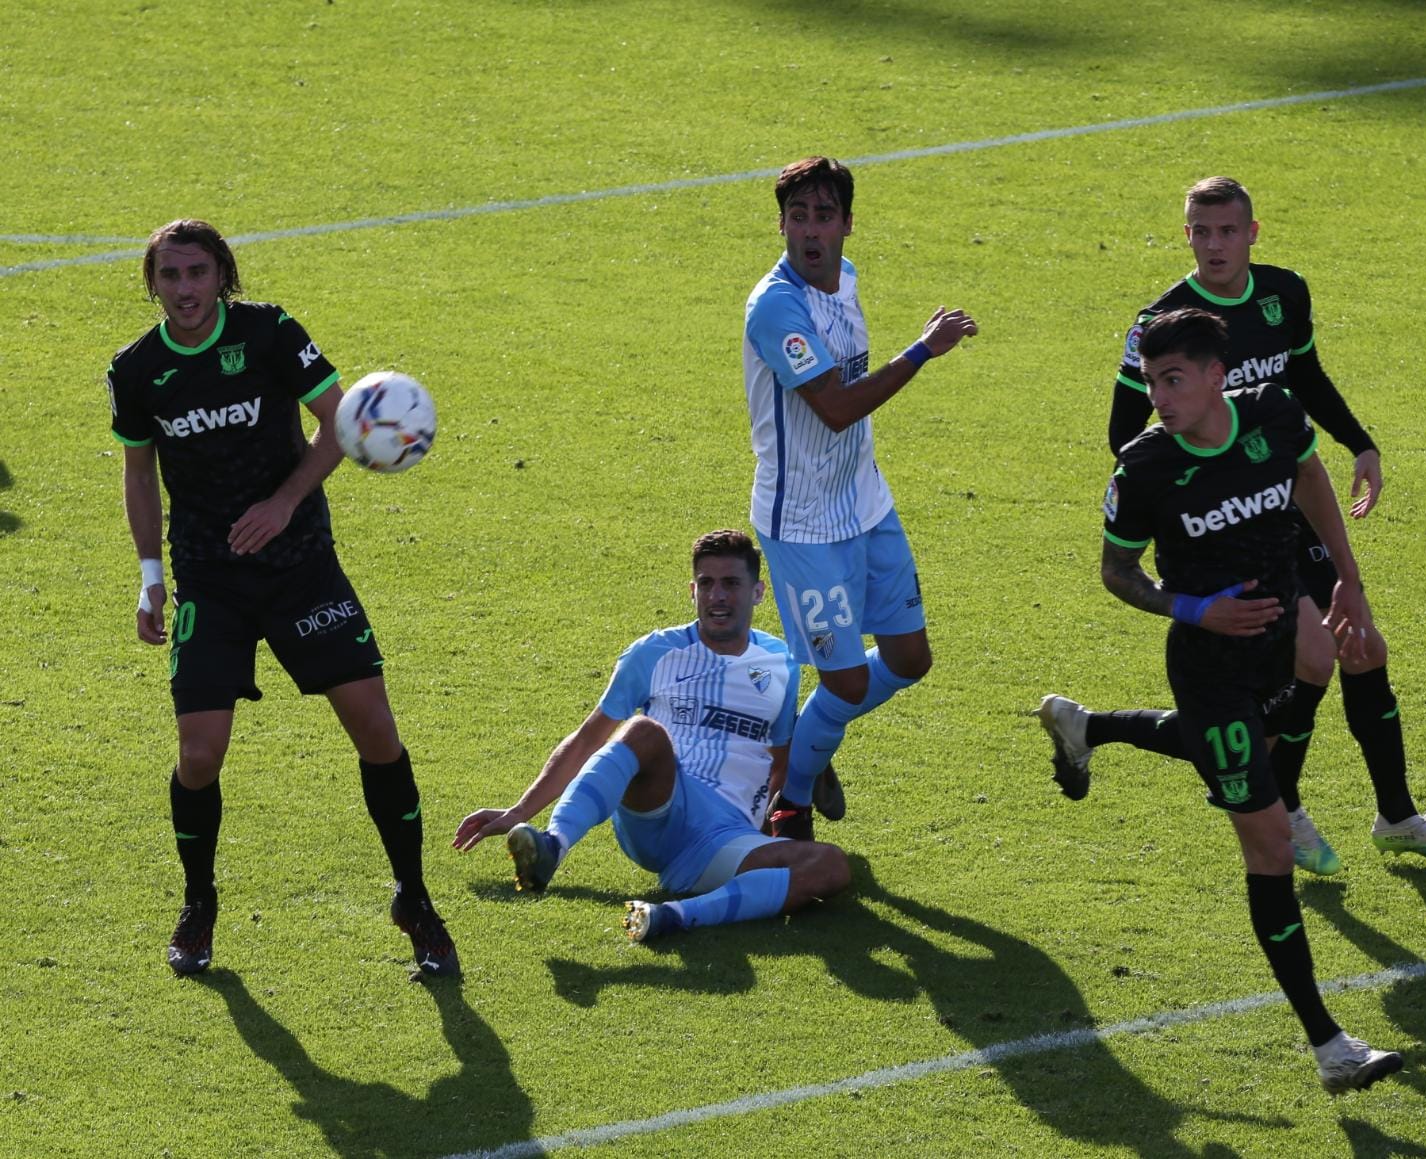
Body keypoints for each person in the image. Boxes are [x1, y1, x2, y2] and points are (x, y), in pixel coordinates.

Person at [1050, 307, 1403, 1093]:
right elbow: (1117, 572)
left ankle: (1090, 725)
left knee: (1274, 714)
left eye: (1173, 380)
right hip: (1209, 666)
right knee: (1270, 843)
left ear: (1216, 375)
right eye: (1151, 382)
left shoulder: (1275, 414)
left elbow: (1311, 475)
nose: (1161, 398)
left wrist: (1347, 573)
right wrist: (1193, 607)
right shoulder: (1143, 469)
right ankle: (1330, 1047)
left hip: (1280, 644)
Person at [1089, 175, 1426, 872]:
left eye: (1227, 231)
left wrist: (1360, 441)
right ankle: (1277, 802)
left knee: (1361, 648)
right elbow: (1125, 435)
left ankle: (1395, 814)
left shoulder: (1283, 294)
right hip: (1230, 524)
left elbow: (1308, 376)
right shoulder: (1161, 323)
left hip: (1287, 497)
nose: (1214, 245)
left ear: (1252, 233)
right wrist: (1202, 486)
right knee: (1308, 660)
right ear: (1186, 235)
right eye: (1201, 232)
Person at [109, 219, 457, 978]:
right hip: (211, 576)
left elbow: (339, 419)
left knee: (375, 731)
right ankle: (199, 901)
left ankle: (414, 896)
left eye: (198, 272)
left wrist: (285, 501)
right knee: (198, 756)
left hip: (301, 567)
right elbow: (140, 475)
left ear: (222, 275)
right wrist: (150, 577)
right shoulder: (137, 370)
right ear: (154, 284)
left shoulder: (269, 332)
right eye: (170, 275)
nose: (185, 288)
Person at [452, 530, 850, 940]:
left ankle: (671, 916)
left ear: (757, 592)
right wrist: (519, 813)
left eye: (731, 583)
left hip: (727, 839)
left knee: (832, 866)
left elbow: (778, 762)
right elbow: (589, 739)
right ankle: (553, 847)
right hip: (660, 809)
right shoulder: (654, 652)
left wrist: (776, 841)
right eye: (707, 584)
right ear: (692, 591)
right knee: (643, 731)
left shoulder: (782, 663)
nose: (718, 596)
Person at [741, 155, 978, 838]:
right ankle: (792, 798)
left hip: (866, 503)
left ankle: (812, 735)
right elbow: (837, 407)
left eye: (823, 215)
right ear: (782, 222)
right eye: (797, 215)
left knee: (911, 659)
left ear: (847, 223)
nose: (810, 230)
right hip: (804, 524)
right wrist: (924, 350)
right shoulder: (776, 306)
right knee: (844, 685)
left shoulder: (844, 278)